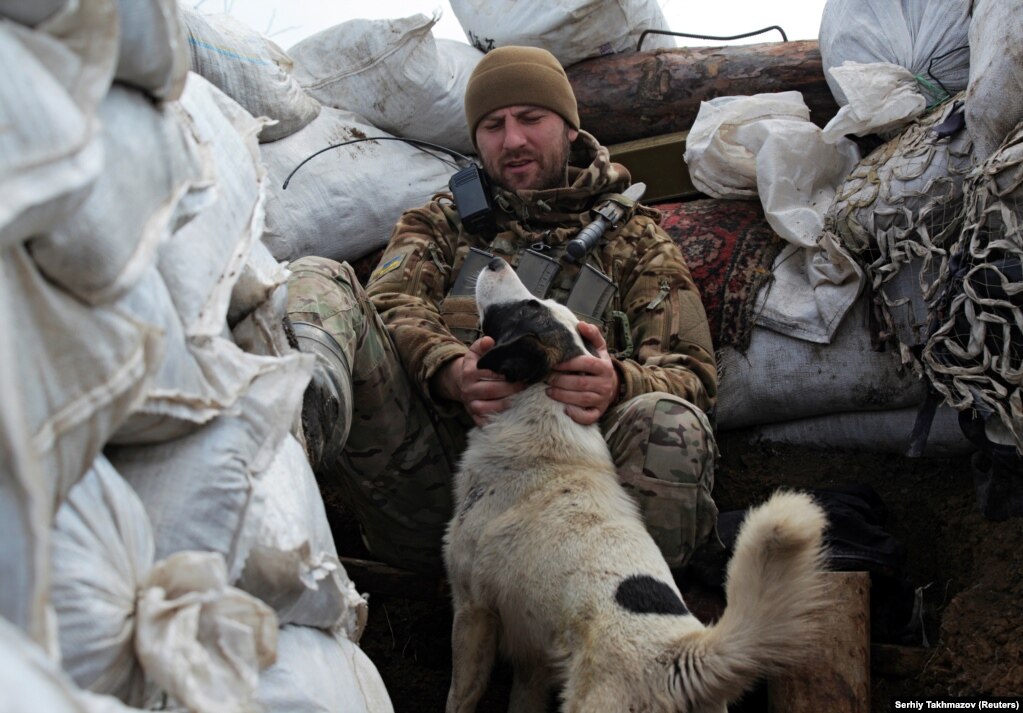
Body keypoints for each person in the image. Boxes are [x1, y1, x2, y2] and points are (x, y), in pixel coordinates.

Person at [286, 46, 719, 574]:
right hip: (436, 493)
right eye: (493, 125)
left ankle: (626, 622)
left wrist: (616, 384)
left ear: (570, 129)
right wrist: (450, 369)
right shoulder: (441, 224)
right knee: (318, 275)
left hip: (571, 512)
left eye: (531, 119)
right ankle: (286, 442)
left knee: (671, 422)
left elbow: (692, 373)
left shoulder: (637, 241)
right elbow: (389, 305)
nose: (512, 140)